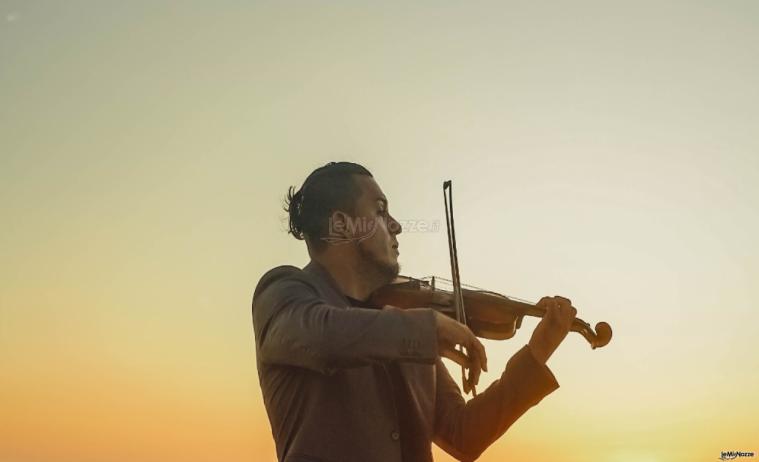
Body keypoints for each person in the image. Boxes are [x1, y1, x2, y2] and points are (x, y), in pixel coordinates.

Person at [251, 162, 577, 462]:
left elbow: (464, 434)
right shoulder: (285, 292)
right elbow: (322, 336)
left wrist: (538, 352)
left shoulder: (406, 321)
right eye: (380, 211)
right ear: (342, 225)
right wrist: (428, 327)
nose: (396, 226)